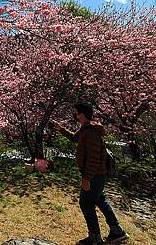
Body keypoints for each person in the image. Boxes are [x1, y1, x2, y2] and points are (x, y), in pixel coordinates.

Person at [52, 103, 128, 245]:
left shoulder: (91, 132)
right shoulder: (86, 129)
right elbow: (75, 138)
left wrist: (86, 178)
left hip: (94, 176)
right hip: (96, 176)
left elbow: (94, 159)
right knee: (99, 200)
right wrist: (60, 129)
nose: (75, 115)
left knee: (86, 203)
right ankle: (117, 231)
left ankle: (95, 238)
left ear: (83, 114)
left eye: (77, 113)